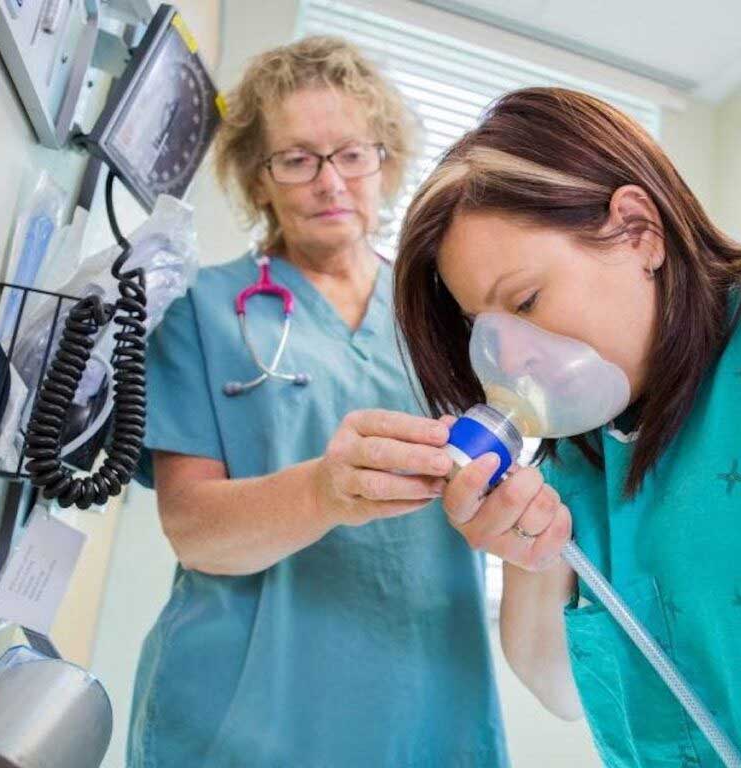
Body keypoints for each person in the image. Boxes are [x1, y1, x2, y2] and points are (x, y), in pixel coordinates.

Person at [392, 87, 741, 767]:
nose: (509, 358)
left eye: (526, 300)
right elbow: (560, 687)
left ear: (638, 231)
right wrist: (534, 557)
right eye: (483, 329)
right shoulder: (588, 456)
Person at [127, 37, 508, 767]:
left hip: (425, 699)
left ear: (386, 162)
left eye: (352, 154)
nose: (330, 181)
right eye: (297, 159)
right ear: (258, 178)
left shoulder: (452, 315)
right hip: (245, 712)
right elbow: (193, 528)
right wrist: (324, 492)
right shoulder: (202, 310)